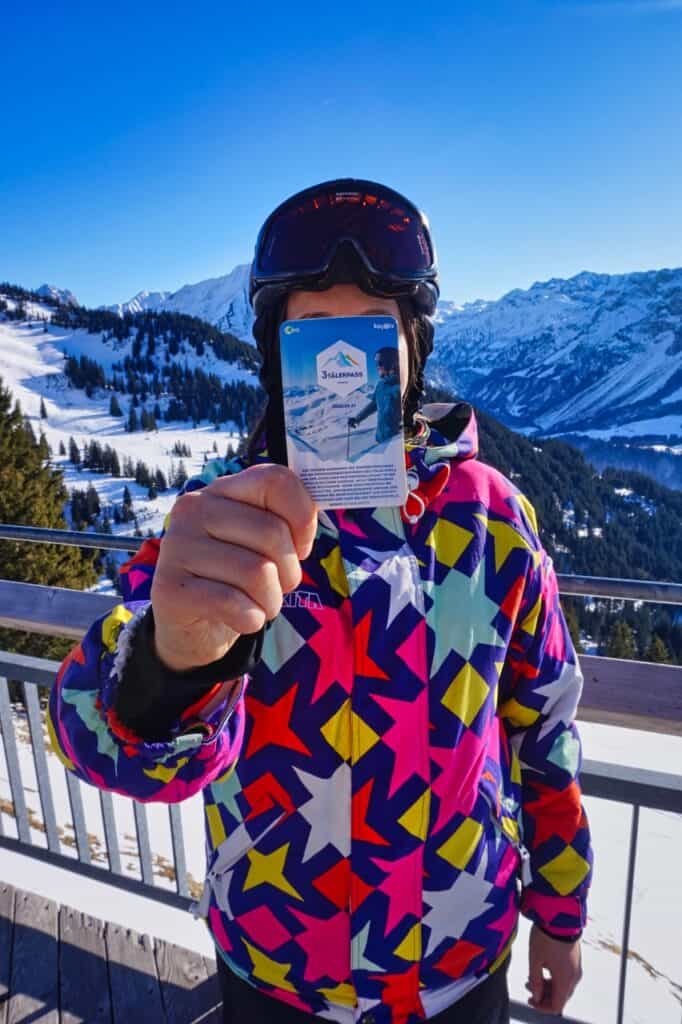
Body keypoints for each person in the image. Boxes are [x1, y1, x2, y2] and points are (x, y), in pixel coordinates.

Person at [48, 178, 592, 1024]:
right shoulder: (218, 521)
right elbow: (100, 741)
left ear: (413, 348)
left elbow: (542, 734)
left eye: (375, 331)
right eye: (313, 337)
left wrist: (559, 919)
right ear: (277, 358)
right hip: (276, 974)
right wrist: (170, 662)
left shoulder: (492, 522)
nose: (344, 374)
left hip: (459, 966)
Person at [348, 346, 402, 444]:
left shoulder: (400, 386)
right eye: (377, 363)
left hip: (396, 441)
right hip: (381, 439)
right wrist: (357, 419)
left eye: (380, 363)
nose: (377, 367)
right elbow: (373, 405)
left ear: (392, 364)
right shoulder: (381, 385)